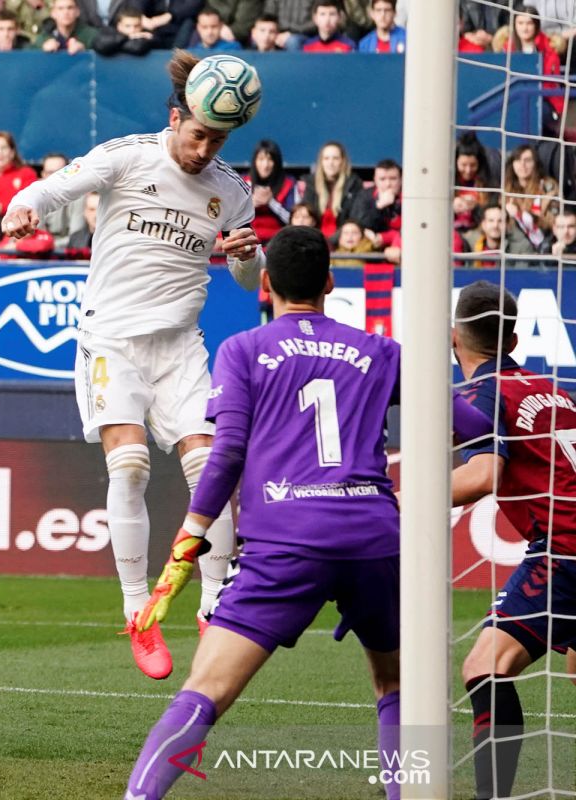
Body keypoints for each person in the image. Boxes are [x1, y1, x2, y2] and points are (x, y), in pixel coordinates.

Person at [123, 226, 494, 800]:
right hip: (374, 539)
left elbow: (226, 454)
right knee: (396, 684)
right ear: (329, 282)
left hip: (284, 544)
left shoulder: (242, 350)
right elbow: (474, 426)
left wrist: (189, 541)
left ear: (265, 283)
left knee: (205, 690)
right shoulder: (379, 351)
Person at [1, 50, 263, 681]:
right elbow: (58, 184)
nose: (204, 150)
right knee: (132, 465)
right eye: (198, 134)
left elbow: (252, 279)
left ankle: (212, 603)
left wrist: (243, 257)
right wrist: (24, 205)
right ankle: (137, 612)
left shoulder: (232, 192)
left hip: (180, 348)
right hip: (111, 341)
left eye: (217, 139)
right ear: (177, 118)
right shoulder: (129, 155)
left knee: (212, 469)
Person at [451, 281, 576, 800]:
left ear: (454, 336)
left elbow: (484, 476)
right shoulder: (555, 389)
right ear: (515, 338)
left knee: (486, 665)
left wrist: (391, 498)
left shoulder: (485, 391)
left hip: (565, 548)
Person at [503, 143, 559, 256]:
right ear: (512, 164)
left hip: (544, 246)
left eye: (528, 160)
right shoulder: (505, 188)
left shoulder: (548, 187)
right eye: (518, 160)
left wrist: (520, 214)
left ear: (535, 164)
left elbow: (555, 222)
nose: (522, 165)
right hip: (513, 245)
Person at [301, 140, 363, 240]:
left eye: (335, 158)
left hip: (343, 241)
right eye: (326, 158)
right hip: (314, 240)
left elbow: (354, 220)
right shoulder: (311, 184)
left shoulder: (354, 184)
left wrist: (331, 241)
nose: (331, 163)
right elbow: (307, 215)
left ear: (343, 161)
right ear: (321, 162)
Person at [243, 139, 298, 244]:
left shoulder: (289, 184)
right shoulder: (244, 183)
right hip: (249, 240)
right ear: (254, 161)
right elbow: (231, 219)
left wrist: (271, 202)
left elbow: (294, 220)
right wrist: (251, 204)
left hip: (280, 241)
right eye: (261, 159)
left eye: (270, 160)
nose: (265, 165)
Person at [454, 132, 494, 232]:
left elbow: (493, 215)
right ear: (455, 162)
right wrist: (452, 207)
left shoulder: (488, 185)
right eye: (463, 165)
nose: (468, 170)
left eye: (472, 165)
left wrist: (476, 208)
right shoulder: (446, 183)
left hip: (478, 233)